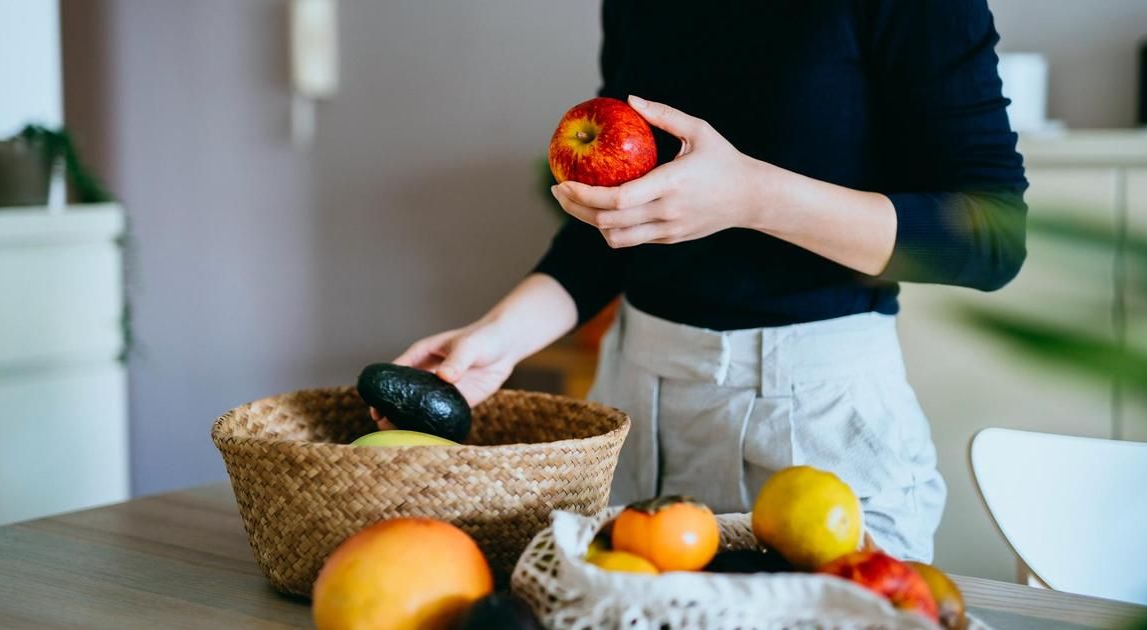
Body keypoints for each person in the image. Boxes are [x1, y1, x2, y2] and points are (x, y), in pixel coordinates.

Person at [383, 0, 1027, 562]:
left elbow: (992, 236)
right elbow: (617, 225)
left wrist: (753, 198)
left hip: (818, 426)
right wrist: (499, 338)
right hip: (637, 406)